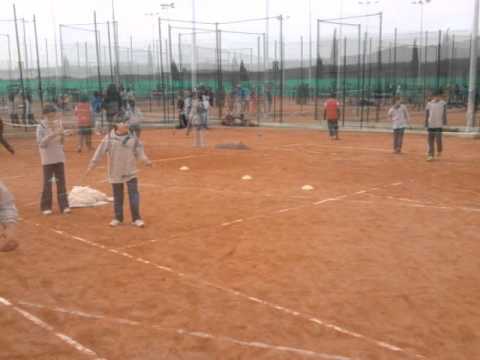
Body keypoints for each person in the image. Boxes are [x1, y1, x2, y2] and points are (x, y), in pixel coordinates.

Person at [86, 120, 152, 227]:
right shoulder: (109, 138)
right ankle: (118, 218)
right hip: (115, 171)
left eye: (127, 122)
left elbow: (139, 151)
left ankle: (136, 218)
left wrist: (145, 160)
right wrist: (92, 164)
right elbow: (99, 152)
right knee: (118, 196)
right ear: (116, 124)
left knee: (134, 195)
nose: (126, 125)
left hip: (130, 171)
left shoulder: (133, 137)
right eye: (123, 123)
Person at [36, 104, 71, 215]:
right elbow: (41, 143)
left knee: (61, 182)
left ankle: (64, 206)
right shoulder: (40, 126)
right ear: (45, 115)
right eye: (49, 115)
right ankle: (46, 206)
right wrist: (53, 134)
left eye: (53, 114)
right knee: (48, 183)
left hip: (59, 157)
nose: (52, 117)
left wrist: (64, 135)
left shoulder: (59, 123)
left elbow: (61, 141)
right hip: (47, 159)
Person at [425, 89, 447, 161]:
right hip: (431, 124)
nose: (436, 97)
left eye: (438, 96)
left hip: (439, 124)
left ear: (440, 96)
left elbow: (444, 112)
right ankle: (431, 155)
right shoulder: (429, 103)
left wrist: (445, 120)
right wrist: (426, 122)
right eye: (435, 96)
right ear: (433, 96)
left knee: (438, 139)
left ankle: (439, 150)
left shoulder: (443, 103)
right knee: (430, 140)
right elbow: (427, 113)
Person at [0, 181, 18, 252]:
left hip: (6, 204)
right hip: (6, 203)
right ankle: (11, 240)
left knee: (9, 224)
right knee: (8, 224)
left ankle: (10, 240)